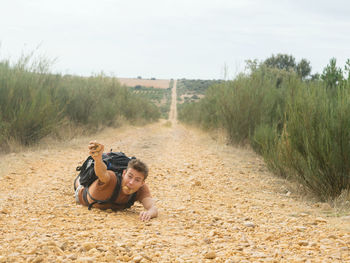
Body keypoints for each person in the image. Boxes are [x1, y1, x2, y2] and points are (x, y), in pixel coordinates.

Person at [74, 141, 158, 221]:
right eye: (130, 176)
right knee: (80, 181)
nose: (131, 182)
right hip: (82, 191)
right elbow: (102, 173)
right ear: (124, 173)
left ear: (142, 183)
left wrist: (149, 214)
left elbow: (152, 208)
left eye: (137, 180)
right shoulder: (112, 178)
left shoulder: (141, 188)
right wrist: (98, 159)